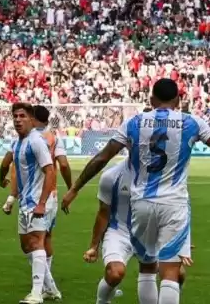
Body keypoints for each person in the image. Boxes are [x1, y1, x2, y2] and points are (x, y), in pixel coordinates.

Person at [62, 78, 210, 304]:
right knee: (171, 272)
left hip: (141, 204)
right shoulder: (193, 123)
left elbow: (103, 157)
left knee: (148, 268)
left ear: (151, 100)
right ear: (178, 101)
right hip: (174, 203)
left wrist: (75, 187)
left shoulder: (134, 122)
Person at [84, 158, 191, 304]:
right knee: (115, 273)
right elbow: (103, 212)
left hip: (151, 232)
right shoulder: (112, 176)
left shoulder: (164, 175)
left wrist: (180, 238)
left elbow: (177, 207)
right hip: (120, 232)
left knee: (178, 273)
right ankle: (102, 301)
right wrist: (93, 246)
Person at [0, 105, 71, 300]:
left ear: (32, 119)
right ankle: (51, 289)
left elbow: (50, 171)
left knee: (37, 242)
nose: (17, 119)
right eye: (15, 116)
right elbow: (10, 168)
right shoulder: (19, 143)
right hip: (26, 201)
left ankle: (36, 293)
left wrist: (41, 203)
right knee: (27, 246)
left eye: (22, 116)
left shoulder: (37, 141)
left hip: (39, 201)